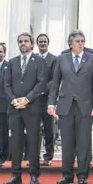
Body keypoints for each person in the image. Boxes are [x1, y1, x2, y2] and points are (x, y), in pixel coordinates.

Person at [48, 30, 93, 184]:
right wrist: (51, 103)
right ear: (70, 43)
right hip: (65, 106)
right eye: (77, 41)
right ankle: (67, 174)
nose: (80, 44)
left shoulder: (92, 59)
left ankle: (83, 174)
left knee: (84, 142)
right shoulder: (62, 59)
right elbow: (55, 83)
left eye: (82, 41)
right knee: (67, 142)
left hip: (85, 106)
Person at [3, 33, 47, 184]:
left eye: (26, 41)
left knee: (33, 142)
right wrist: (13, 100)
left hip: (32, 108)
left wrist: (27, 99)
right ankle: (16, 175)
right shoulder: (12, 62)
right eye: (20, 41)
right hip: (15, 108)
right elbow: (6, 85)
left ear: (31, 43)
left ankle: (34, 174)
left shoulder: (40, 61)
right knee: (15, 142)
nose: (23, 43)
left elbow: (41, 83)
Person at [36, 33, 58, 166]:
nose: (42, 44)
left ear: (48, 43)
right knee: (34, 129)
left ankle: (48, 156)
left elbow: (54, 79)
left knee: (49, 129)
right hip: (34, 99)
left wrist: (42, 89)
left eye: (44, 41)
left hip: (47, 98)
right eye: (40, 42)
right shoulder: (33, 58)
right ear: (37, 44)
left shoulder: (54, 59)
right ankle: (34, 155)